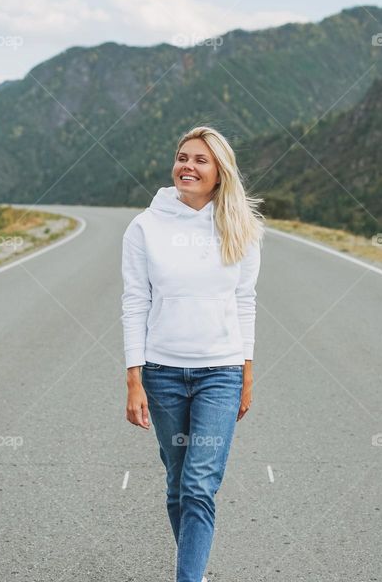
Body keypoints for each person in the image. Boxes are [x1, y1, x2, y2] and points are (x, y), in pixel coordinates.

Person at [122, 125, 264, 582]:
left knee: (201, 485)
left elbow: (245, 300)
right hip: (162, 373)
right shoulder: (145, 226)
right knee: (178, 487)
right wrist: (134, 378)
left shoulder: (241, 227)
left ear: (220, 172)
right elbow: (135, 302)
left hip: (219, 373)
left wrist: (246, 371)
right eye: (183, 157)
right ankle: (194, 570)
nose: (188, 166)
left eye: (201, 160)